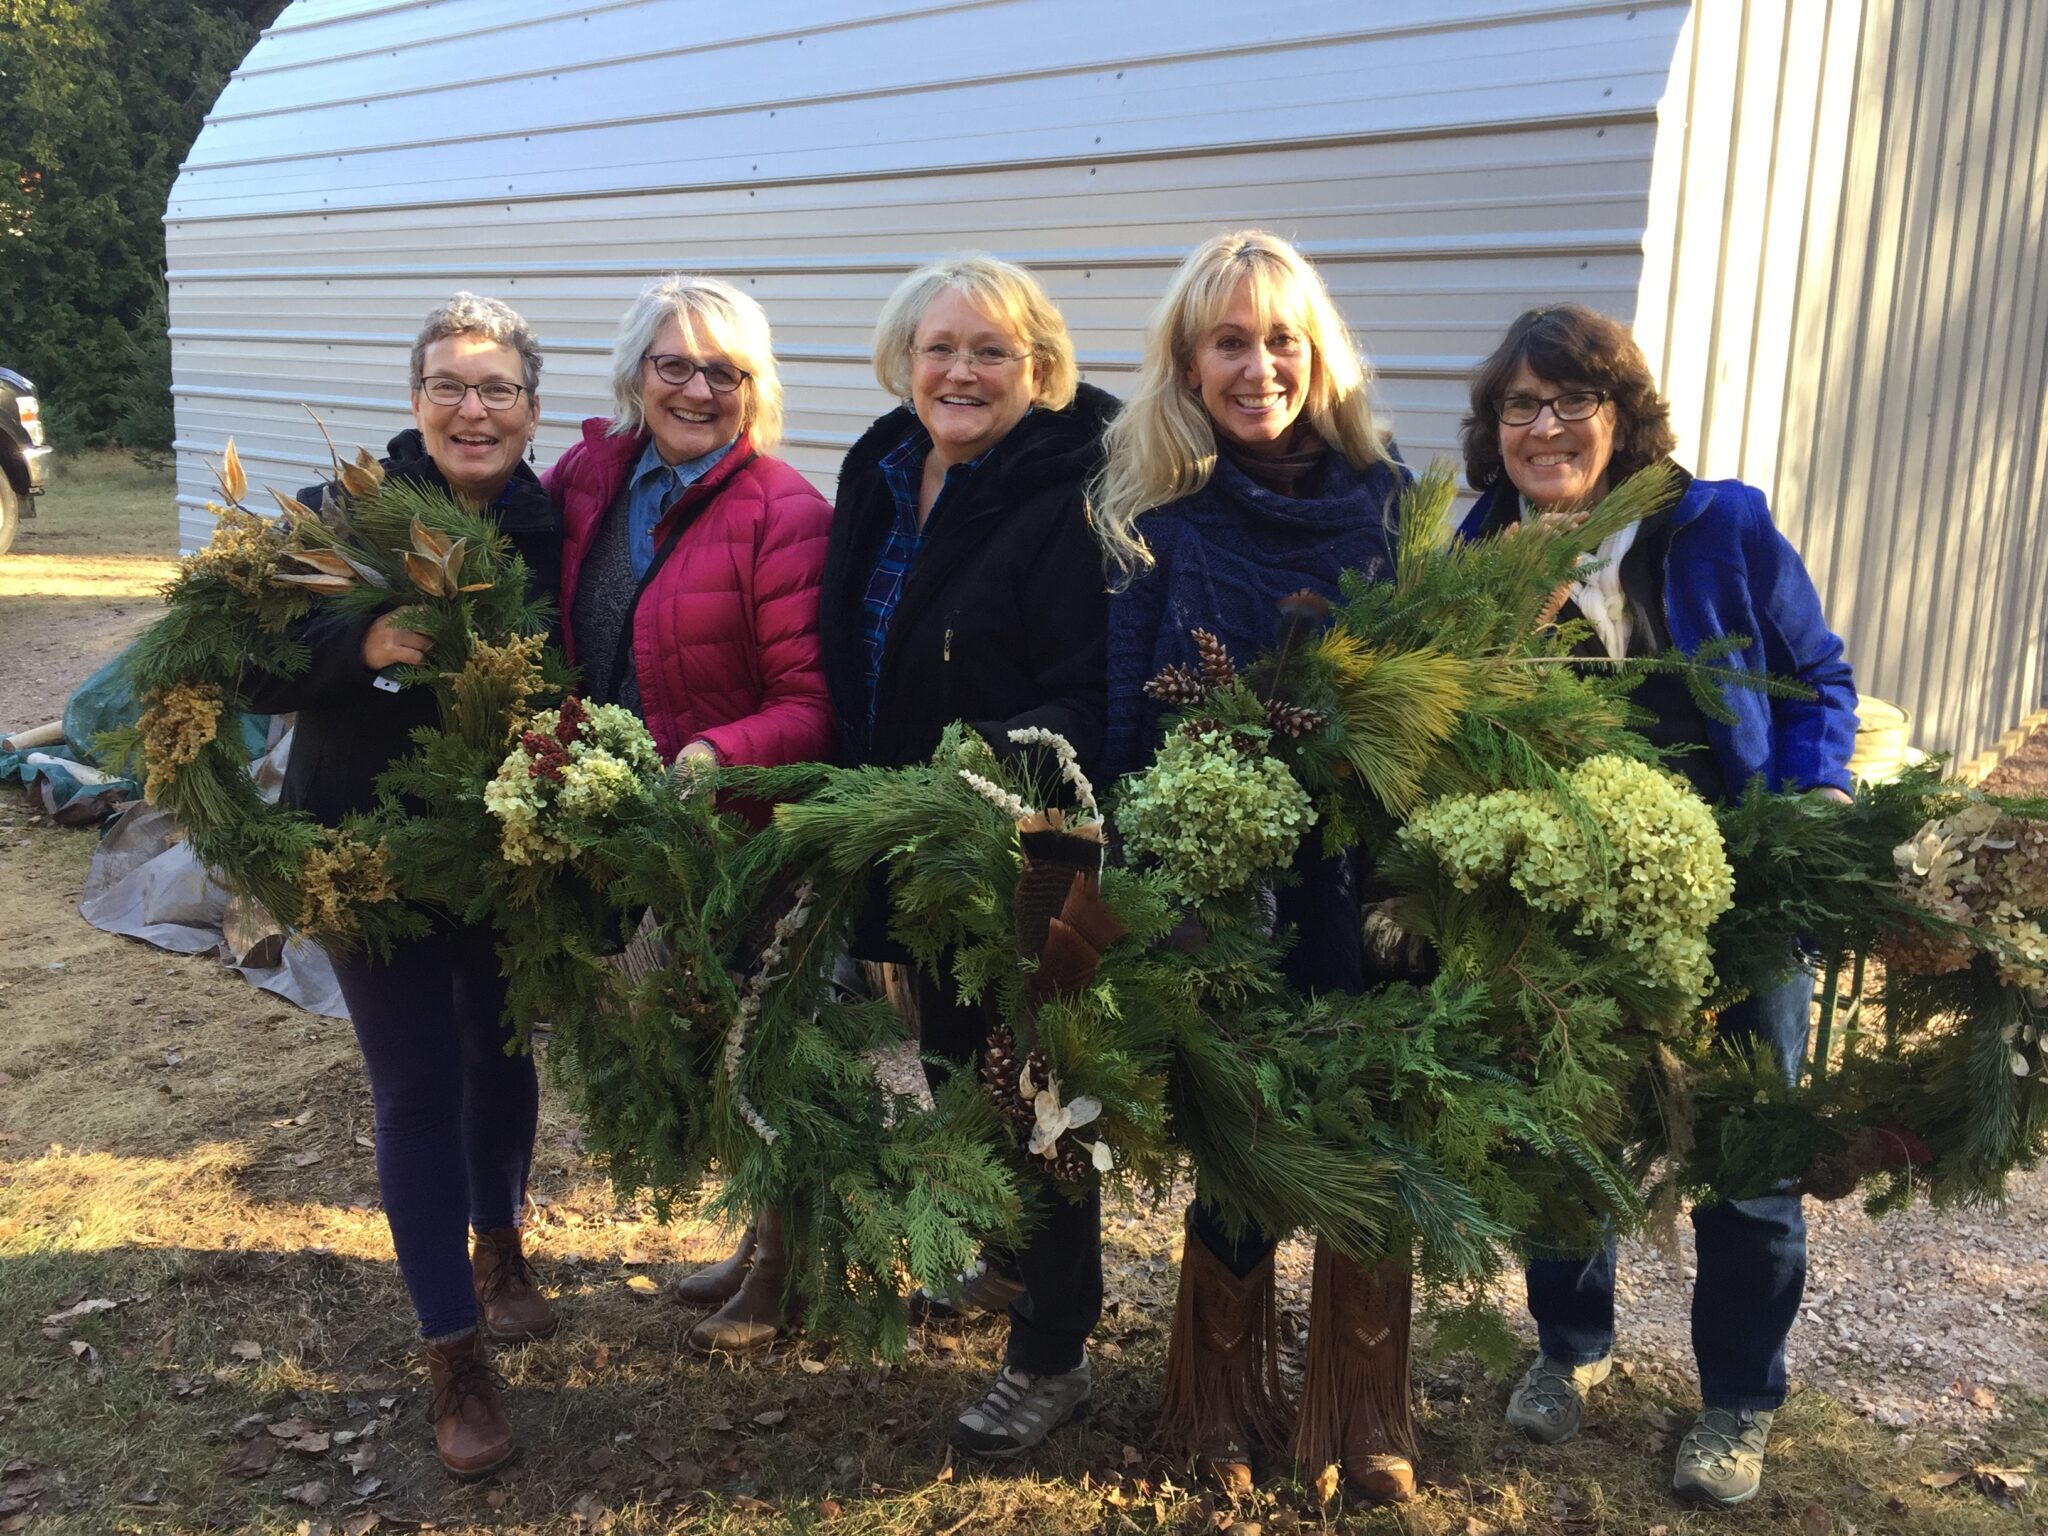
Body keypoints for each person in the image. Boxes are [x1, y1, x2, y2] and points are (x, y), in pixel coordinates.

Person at [1456, 303, 1857, 1508]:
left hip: (1733, 885)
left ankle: (1736, 1400)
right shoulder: (1475, 551)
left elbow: (1813, 678)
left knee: (1745, 1151)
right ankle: (1567, 1348)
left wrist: (1814, 799)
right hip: (1562, 898)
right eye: (1518, 405)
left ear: (1620, 415)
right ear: (1492, 428)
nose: (1544, 426)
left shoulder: (1712, 524)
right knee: (1561, 1130)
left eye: (1572, 400)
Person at [1095, 230, 1416, 1502]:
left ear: (1318, 352)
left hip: (1362, 872)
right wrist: (1138, 876)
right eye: (1229, 339)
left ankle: (1360, 1400)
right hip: (1216, 878)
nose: (1258, 364)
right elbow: (1123, 708)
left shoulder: (1388, 502)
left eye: (1282, 337)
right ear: (1186, 356)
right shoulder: (1149, 506)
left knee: (1370, 1112)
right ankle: (1219, 1396)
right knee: (1238, 1128)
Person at [238, 293, 562, 1479]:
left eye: (496, 389)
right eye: (448, 386)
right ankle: (453, 1355)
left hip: (508, 846)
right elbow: (243, 659)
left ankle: (502, 1244)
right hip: (365, 856)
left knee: (503, 1053)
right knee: (417, 1087)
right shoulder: (342, 518)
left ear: (531, 408)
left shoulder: (550, 526)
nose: (472, 409)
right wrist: (359, 645)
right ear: (415, 400)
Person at [817, 252, 1116, 1458]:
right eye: (939, 347)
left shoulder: (1075, 491)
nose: (961, 371)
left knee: (1039, 1097)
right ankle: (1002, 1260)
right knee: (951, 1066)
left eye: (991, 351)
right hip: (903, 837)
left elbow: (1090, 698)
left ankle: (1054, 1351)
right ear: (903, 359)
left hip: (1026, 848)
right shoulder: (883, 467)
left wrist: (962, 764)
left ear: (1038, 368)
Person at [544, 273, 832, 1357]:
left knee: (767, 1051)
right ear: (635, 374)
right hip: (641, 829)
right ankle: (753, 1241)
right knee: (712, 1048)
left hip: (744, 834)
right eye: (675, 365)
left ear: (754, 388)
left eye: (725, 370)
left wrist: (713, 756)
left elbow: (812, 707)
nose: (697, 388)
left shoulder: (783, 511)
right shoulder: (596, 481)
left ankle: (783, 1267)